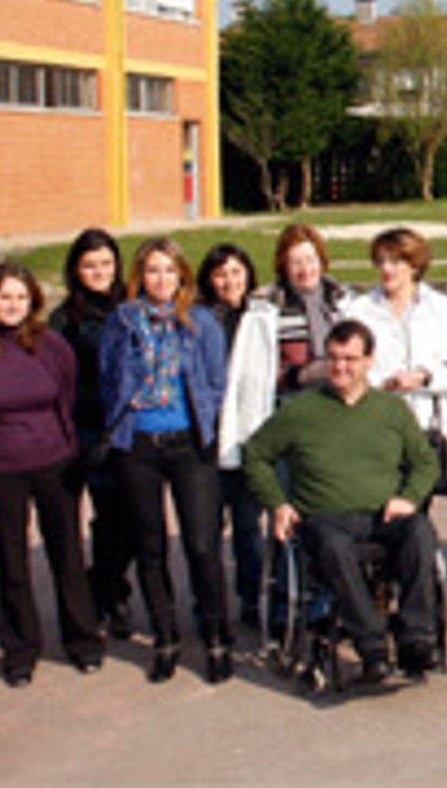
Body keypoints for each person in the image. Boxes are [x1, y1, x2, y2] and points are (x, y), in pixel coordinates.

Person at [243, 320, 444, 683]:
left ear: (369, 360)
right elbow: (255, 454)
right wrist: (277, 503)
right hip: (325, 519)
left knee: (419, 530)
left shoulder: (392, 410)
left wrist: (409, 498)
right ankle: (372, 646)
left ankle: (416, 638)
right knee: (334, 547)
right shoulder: (300, 411)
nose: (340, 367)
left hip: (382, 516)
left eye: (350, 359)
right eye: (333, 358)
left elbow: (425, 462)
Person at [0, 263, 103, 687]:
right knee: (12, 562)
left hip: (55, 463)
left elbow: (67, 395)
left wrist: (61, 443)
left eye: (20, 297)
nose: (13, 305)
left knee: (67, 555)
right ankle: (20, 650)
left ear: (32, 302)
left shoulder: (52, 347)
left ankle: (83, 640)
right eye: (4, 297)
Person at [101, 237, 232, 684]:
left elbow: (216, 380)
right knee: (150, 545)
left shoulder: (200, 321)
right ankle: (166, 636)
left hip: (189, 443)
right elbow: (109, 377)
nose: (162, 279)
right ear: (140, 276)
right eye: (153, 270)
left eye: (170, 271)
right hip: (139, 443)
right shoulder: (122, 321)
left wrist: (206, 422)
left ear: (182, 277)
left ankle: (215, 636)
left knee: (202, 543)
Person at [219, 224, 346, 637]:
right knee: (288, 514)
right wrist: (305, 374)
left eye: (310, 259)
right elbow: (257, 373)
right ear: (283, 267)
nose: (305, 269)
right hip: (288, 420)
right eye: (295, 262)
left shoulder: (341, 301)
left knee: (330, 512)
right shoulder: (266, 308)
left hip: (336, 420)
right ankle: (284, 603)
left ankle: (327, 599)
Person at [47, 229, 135, 640]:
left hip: (129, 430)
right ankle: (107, 596)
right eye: (89, 265)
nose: (99, 272)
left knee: (132, 522)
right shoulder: (65, 320)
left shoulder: (132, 307)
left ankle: (107, 582)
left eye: (106, 263)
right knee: (106, 518)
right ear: (75, 270)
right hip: (87, 432)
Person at [343, 228, 447, 442]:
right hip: (378, 430)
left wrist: (424, 378)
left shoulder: (441, 308)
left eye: (395, 262)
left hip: (432, 430)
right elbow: (348, 368)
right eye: (381, 261)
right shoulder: (359, 311)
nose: (386, 268)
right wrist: (382, 385)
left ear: (414, 266)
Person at [197, 244, 265, 630]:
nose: (229, 281)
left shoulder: (260, 317)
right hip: (208, 440)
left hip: (247, 437)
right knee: (206, 530)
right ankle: (207, 603)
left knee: (248, 527)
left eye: (236, 272)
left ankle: (251, 597)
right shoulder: (200, 319)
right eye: (221, 274)